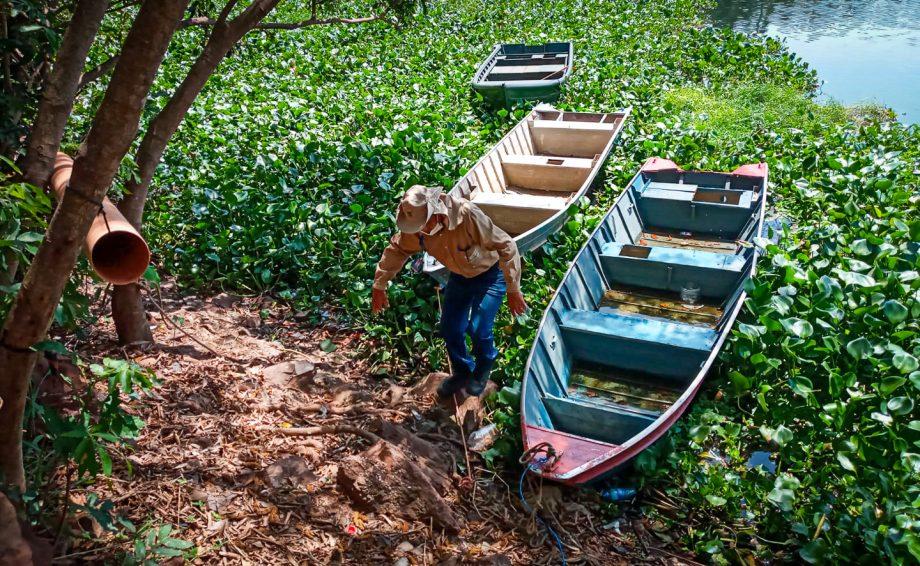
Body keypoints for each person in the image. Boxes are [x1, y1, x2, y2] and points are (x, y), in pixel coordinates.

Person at [372, 185, 527, 397]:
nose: (420, 231)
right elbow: (397, 250)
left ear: (434, 213)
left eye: (422, 225)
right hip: (459, 276)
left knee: (479, 328)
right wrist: (379, 285)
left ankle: (483, 369)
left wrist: (513, 288)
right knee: (449, 328)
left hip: (491, 274)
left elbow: (507, 245)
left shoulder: (466, 215)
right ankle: (462, 372)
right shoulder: (419, 230)